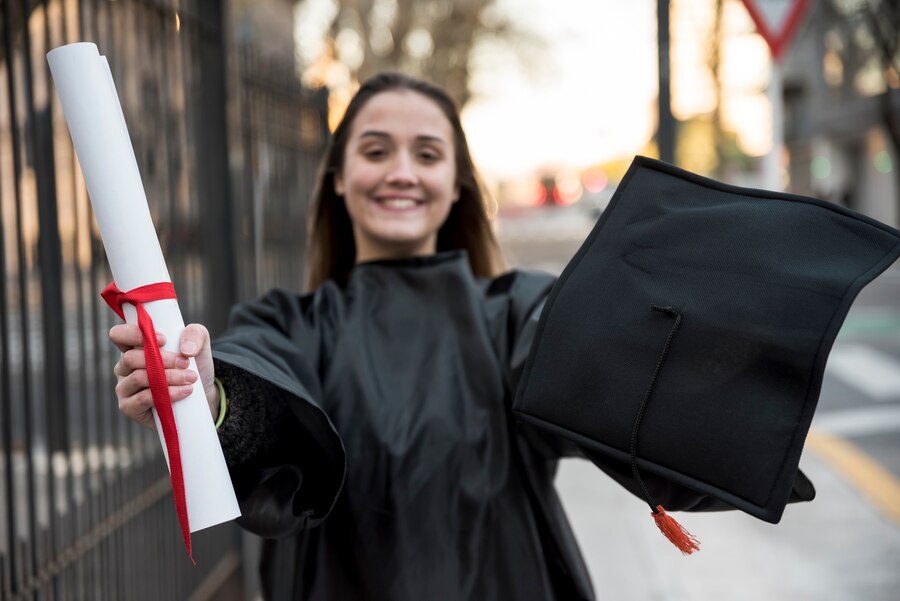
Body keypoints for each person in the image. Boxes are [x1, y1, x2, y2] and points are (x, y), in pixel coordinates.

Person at [110, 73, 718, 600]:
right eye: (376, 151)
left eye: (427, 155)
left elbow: (602, 365)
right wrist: (207, 397)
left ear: (457, 184)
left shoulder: (516, 313)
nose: (401, 173)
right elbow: (258, 389)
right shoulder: (289, 323)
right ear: (340, 179)